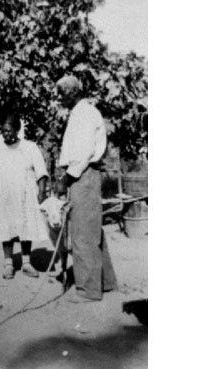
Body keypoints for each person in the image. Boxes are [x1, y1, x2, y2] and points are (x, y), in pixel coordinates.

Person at [56, 75, 118, 303]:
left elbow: (82, 152)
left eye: (61, 93)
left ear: (73, 92)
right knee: (92, 229)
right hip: (83, 174)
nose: (59, 97)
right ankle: (106, 282)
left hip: (83, 174)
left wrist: (66, 178)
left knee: (83, 233)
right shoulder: (80, 113)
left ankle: (87, 290)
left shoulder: (84, 113)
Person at [0, 113, 49, 279]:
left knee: (26, 226)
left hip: (26, 194)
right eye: (3, 131)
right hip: (4, 196)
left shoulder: (30, 147)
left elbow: (41, 171)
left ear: (18, 130)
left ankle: (26, 262)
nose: (6, 134)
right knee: (7, 227)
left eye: (10, 131)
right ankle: (8, 264)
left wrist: (41, 192)